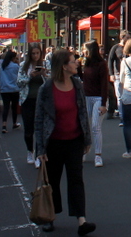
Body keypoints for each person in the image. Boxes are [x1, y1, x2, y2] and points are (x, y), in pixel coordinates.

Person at [34, 49, 96, 235]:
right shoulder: (47, 89)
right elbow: (39, 119)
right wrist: (40, 148)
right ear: (63, 66)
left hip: (74, 141)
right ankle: (50, 217)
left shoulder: (77, 84)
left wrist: (86, 139)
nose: (76, 63)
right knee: (52, 180)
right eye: (72, 61)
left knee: (76, 180)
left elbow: (82, 113)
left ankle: (81, 220)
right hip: (53, 142)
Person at [19, 44, 50, 164]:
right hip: (27, 100)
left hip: (41, 101)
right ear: (29, 54)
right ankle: (29, 151)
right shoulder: (23, 66)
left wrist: (44, 75)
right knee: (28, 129)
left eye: (38, 53)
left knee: (40, 128)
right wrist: (29, 76)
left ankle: (39, 154)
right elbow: (19, 82)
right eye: (33, 53)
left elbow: (51, 80)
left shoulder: (46, 64)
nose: (36, 56)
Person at [81, 40, 108, 167]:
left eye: (85, 49)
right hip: (86, 97)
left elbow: (104, 84)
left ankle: (98, 155)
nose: (83, 52)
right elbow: (83, 79)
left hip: (98, 98)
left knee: (95, 126)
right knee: (84, 126)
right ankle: (84, 150)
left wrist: (103, 103)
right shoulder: (85, 62)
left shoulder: (102, 64)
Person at [107, 30, 130, 120]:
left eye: (129, 38)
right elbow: (110, 60)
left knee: (127, 95)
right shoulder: (116, 47)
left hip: (128, 74)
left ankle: (128, 114)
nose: (128, 39)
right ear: (122, 37)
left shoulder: (130, 48)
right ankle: (122, 115)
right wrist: (111, 74)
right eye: (127, 38)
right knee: (119, 96)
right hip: (118, 73)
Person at [0, 49, 21, 133]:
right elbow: (18, 76)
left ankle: (4, 125)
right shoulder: (15, 66)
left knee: (6, 107)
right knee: (14, 107)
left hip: (4, 89)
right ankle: (14, 123)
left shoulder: (2, 66)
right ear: (12, 58)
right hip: (14, 89)